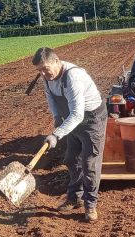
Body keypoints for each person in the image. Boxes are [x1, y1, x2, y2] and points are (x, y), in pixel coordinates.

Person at [33, 47, 108, 222]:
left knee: (89, 163)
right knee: (71, 159)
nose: (44, 73)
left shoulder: (72, 77)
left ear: (57, 61)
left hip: (91, 120)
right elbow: (50, 97)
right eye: (40, 70)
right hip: (71, 118)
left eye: (45, 68)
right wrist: (57, 116)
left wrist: (56, 134)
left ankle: (91, 205)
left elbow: (78, 115)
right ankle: (75, 197)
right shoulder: (47, 77)